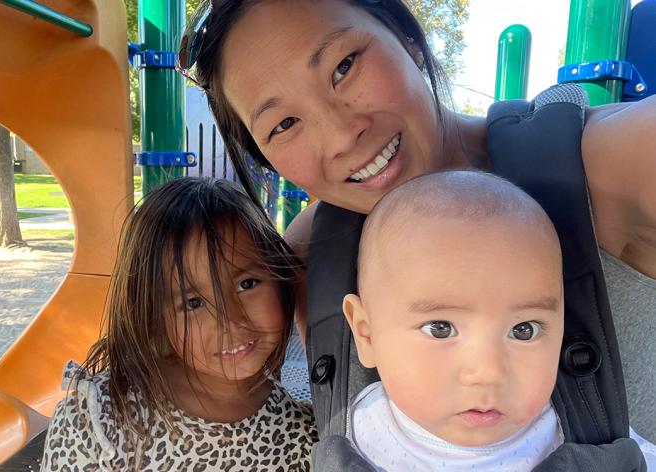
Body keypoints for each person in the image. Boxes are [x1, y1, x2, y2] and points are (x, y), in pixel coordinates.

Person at [177, 0, 656, 441]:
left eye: (344, 66)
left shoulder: (601, 167)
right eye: (283, 124)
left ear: (409, 40)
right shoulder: (312, 252)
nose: (343, 135)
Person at [342, 170, 656, 470]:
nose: (488, 372)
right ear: (366, 335)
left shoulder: (581, 421)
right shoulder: (359, 428)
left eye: (524, 330)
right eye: (440, 329)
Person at [40, 177, 316, 471]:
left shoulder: (300, 433)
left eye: (246, 284)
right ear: (154, 315)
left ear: (280, 280)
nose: (230, 320)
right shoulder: (100, 422)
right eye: (193, 303)